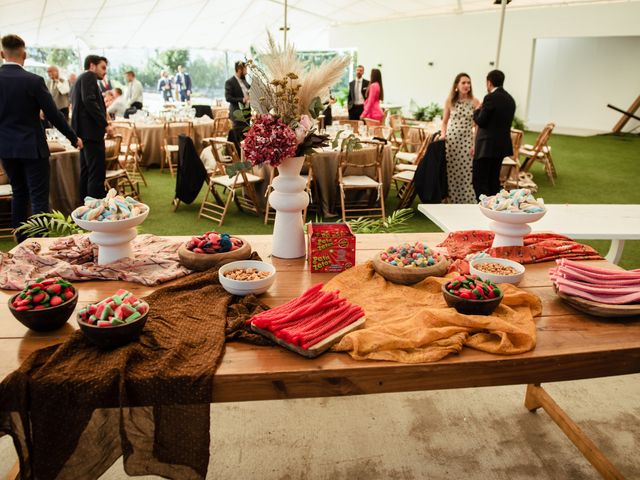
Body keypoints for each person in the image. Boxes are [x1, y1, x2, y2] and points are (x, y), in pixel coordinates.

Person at [0, 34, 82, 241]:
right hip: (32, 147)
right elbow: (54, 114)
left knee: (19, 193)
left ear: (2, 54)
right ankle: (40, 244)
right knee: (38, 198)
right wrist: (73, 138)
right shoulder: (34, 80)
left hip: (6, 148)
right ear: (24, 55)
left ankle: (21, 244)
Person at [71, 54, 112, 200]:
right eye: (102, 67)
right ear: (92, 66)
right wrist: (105, 124)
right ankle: (97, 210)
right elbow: (89, 101)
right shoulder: (89, 76)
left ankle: (84, 207)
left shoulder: (80, 79)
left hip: (84, 133)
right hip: (91, 133)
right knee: (96, 173)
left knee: (87, 172)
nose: (104, 71)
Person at [472, 69, 516, 199]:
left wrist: (476, 111)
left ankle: (483, 208)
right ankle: (494, 208)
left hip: (486, 146)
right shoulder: (510, 99)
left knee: (479, 181)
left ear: (489, 82)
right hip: (501, 147)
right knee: (493, 180)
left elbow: (481, 121)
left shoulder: (490, 98)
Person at [441, 73, 481, 204]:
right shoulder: (450, 101)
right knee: (451, 173)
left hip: (467, 141)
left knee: (466, 173)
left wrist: (475, 144)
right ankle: (452, 201)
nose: (467, 85)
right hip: (452, 140)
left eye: (468, 83)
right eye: (463, 82)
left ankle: (467, 202)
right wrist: (443, 135)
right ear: (456, 85)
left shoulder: (475, 102)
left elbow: (478, 126)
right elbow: (444, 122)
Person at [224, 61, 251, 150]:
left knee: (246, 136)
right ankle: (238, 156)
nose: (246, 71)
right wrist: (242, 99)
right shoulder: (230, 82)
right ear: (239, 69)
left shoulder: (245, 81)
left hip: (247, 113)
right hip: (237, 113)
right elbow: (228, 98)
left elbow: (250, 91)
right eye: (245, 69)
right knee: (237, 137)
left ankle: (246, 156)